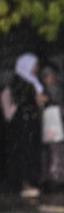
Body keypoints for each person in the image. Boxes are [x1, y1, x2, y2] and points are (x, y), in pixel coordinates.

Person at [3, 53, 47, 198]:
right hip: (22, 123)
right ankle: (24, 183)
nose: (36, 68)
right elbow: (21, 101)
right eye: (34, 65)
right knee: (25, 152)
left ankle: (31, 181)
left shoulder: (34, 81)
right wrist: (35, 100)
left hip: (32, 121)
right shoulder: (19, 82)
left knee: (33, 151)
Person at [40, 65, 64, 189]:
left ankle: (58, 177)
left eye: (51, 76)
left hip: (57, 123)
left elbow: (57, 103)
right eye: (47, 76)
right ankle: (54, 176)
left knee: (58, 150)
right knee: (53, 151)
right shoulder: (43, 89)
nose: (50, 78)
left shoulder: (56, 89)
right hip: (52, 124)